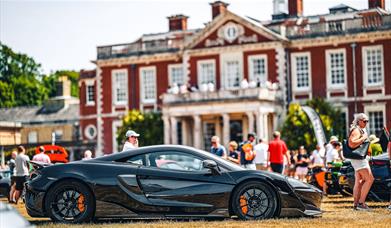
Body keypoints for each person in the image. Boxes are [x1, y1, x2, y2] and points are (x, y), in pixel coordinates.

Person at [348, 113, 374, 211]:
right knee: (370, 179)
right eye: (364, 121)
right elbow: (351, 143)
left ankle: (356, 204)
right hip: (359, 159)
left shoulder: (361, 130)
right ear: (358, 121)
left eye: (367, 121)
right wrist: (364, 138)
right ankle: (361, 203)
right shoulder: (357, 130)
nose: (366, 123)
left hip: (358, 158)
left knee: (359, 181)